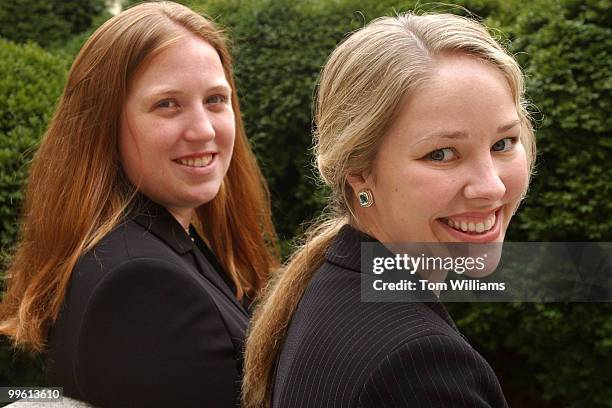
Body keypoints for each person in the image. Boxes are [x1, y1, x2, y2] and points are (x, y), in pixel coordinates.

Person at [243, 12, 535, 408]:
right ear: (360, 173)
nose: (492, 186)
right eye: (442, 154)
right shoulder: (418, 366)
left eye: (503, 143)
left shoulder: (327, 288)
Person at [0, 2, 278, 407]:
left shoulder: (167, 242)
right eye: (167, 104)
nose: (203, 129)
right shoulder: (141, 285)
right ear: (103, 125)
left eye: (216, 99)